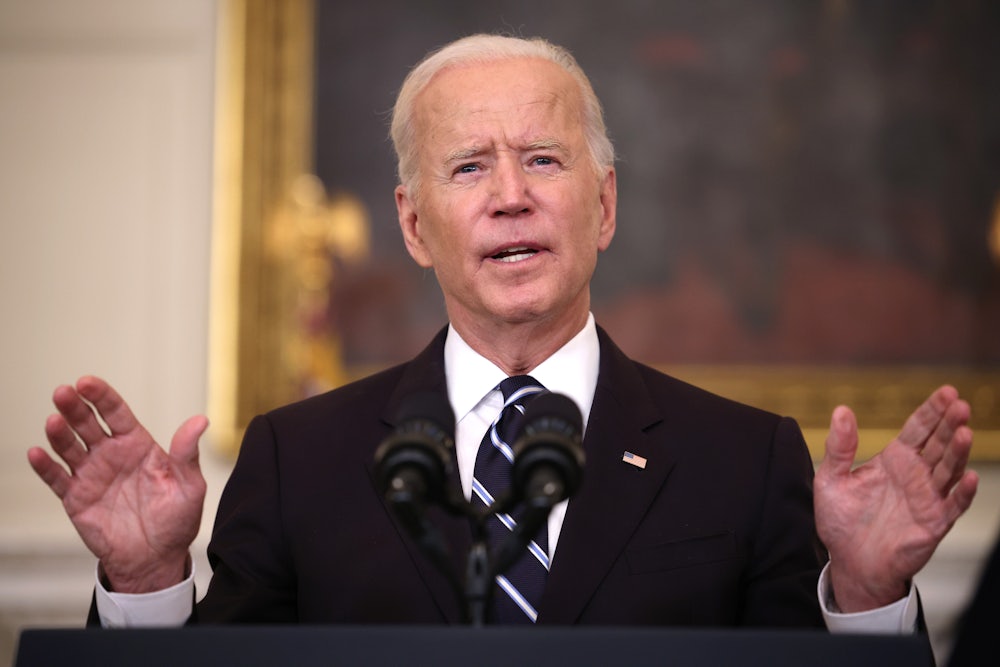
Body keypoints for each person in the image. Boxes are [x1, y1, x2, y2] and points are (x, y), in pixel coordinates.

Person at [28, 33, 977, 631]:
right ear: (412, 224)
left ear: (602, 207)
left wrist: (865, 600)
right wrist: (147, 578)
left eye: (543, 159)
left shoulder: (744, 456)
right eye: (471, 166)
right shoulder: (296, 459)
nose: (512, 196)